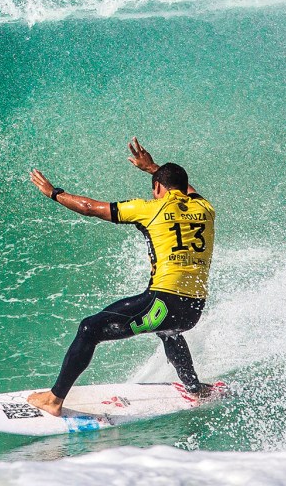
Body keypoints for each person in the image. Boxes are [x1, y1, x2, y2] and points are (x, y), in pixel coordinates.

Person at [25, 138, 217, 416]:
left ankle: (54, 399)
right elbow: (186, 188)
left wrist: (53, 193)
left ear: (159, 189)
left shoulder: (151, 209)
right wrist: (152, 167)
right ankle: (195, 389)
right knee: (169, 331)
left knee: (89, 329)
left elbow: (90, 207)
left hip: (163, 304)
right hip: (193, 310)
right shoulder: (205, 208)